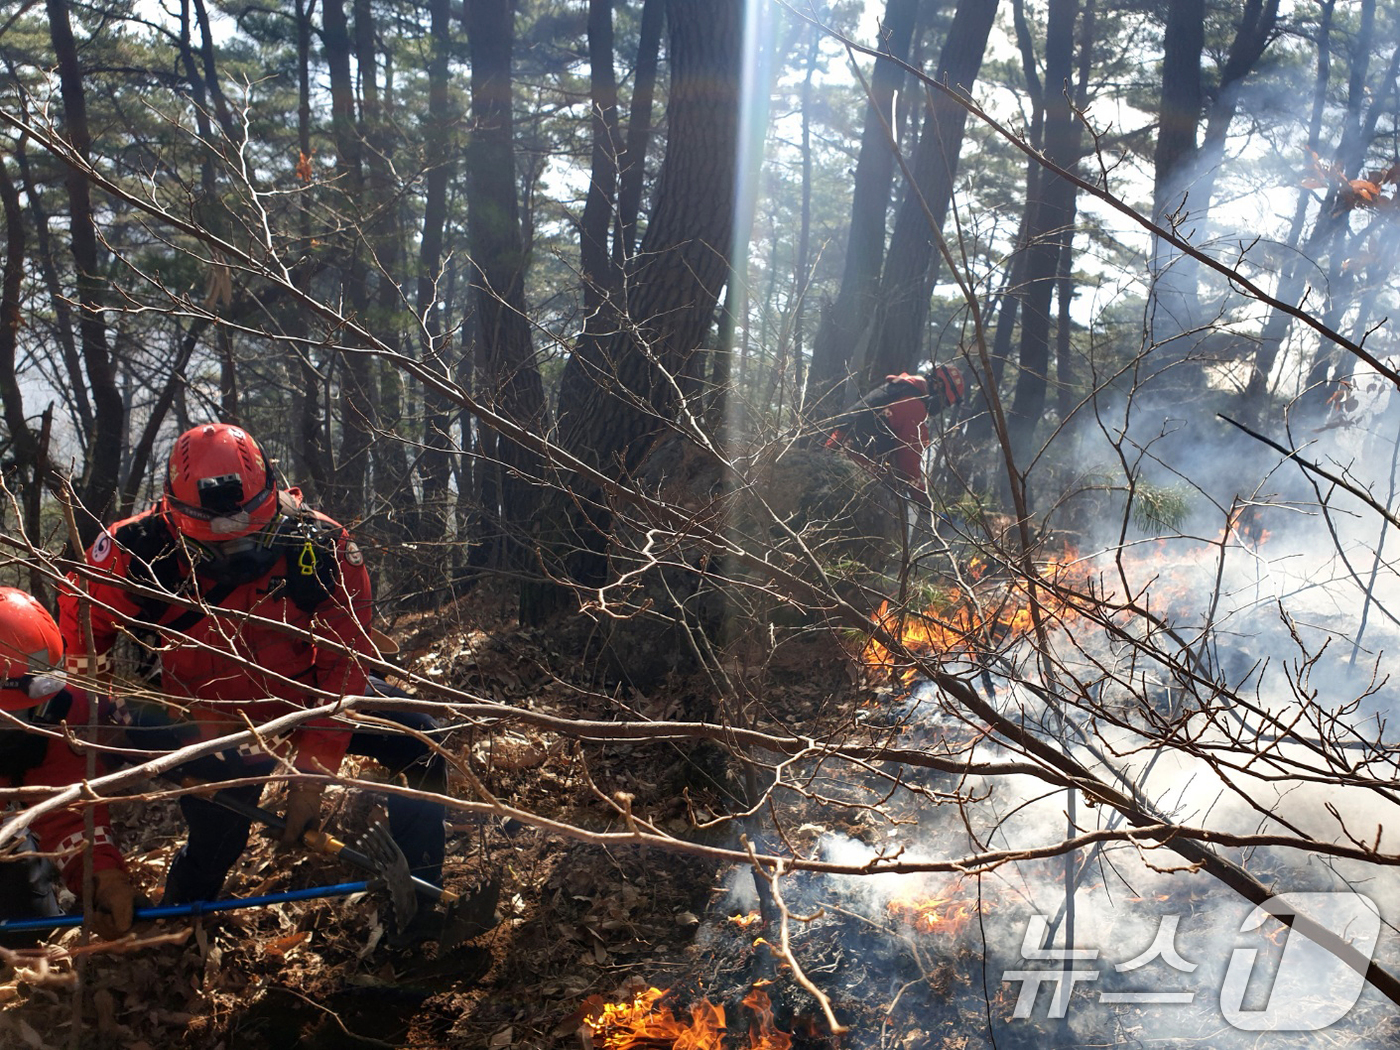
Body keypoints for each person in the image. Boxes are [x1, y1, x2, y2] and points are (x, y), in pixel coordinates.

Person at [59, 423, 445, 914]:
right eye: (215, 549)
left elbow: (345, 662)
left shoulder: (321, 548)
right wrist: (104, 709)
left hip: (303, 697)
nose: (236, 558)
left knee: (421, 741)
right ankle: (181, 934)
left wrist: (311, 776)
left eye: (249, 538)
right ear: (176, 518)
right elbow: (80, 616)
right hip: (208, 721)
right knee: (219, 838)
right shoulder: (136, 549)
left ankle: (419, 903)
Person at [0, 587, 135, 939]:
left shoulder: (61, 712)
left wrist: (101, 877)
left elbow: (67, 808)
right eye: (11, 715)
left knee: (29, 926)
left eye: (38, 710)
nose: (29, 724)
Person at [825, 364, 966, 500]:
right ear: (938, 386)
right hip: (855, 468)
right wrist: (923, 498)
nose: (940, 409)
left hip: (837, 454)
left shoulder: (899, 388)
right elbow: (908, 464)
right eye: (943, 402)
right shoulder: (914, 406)